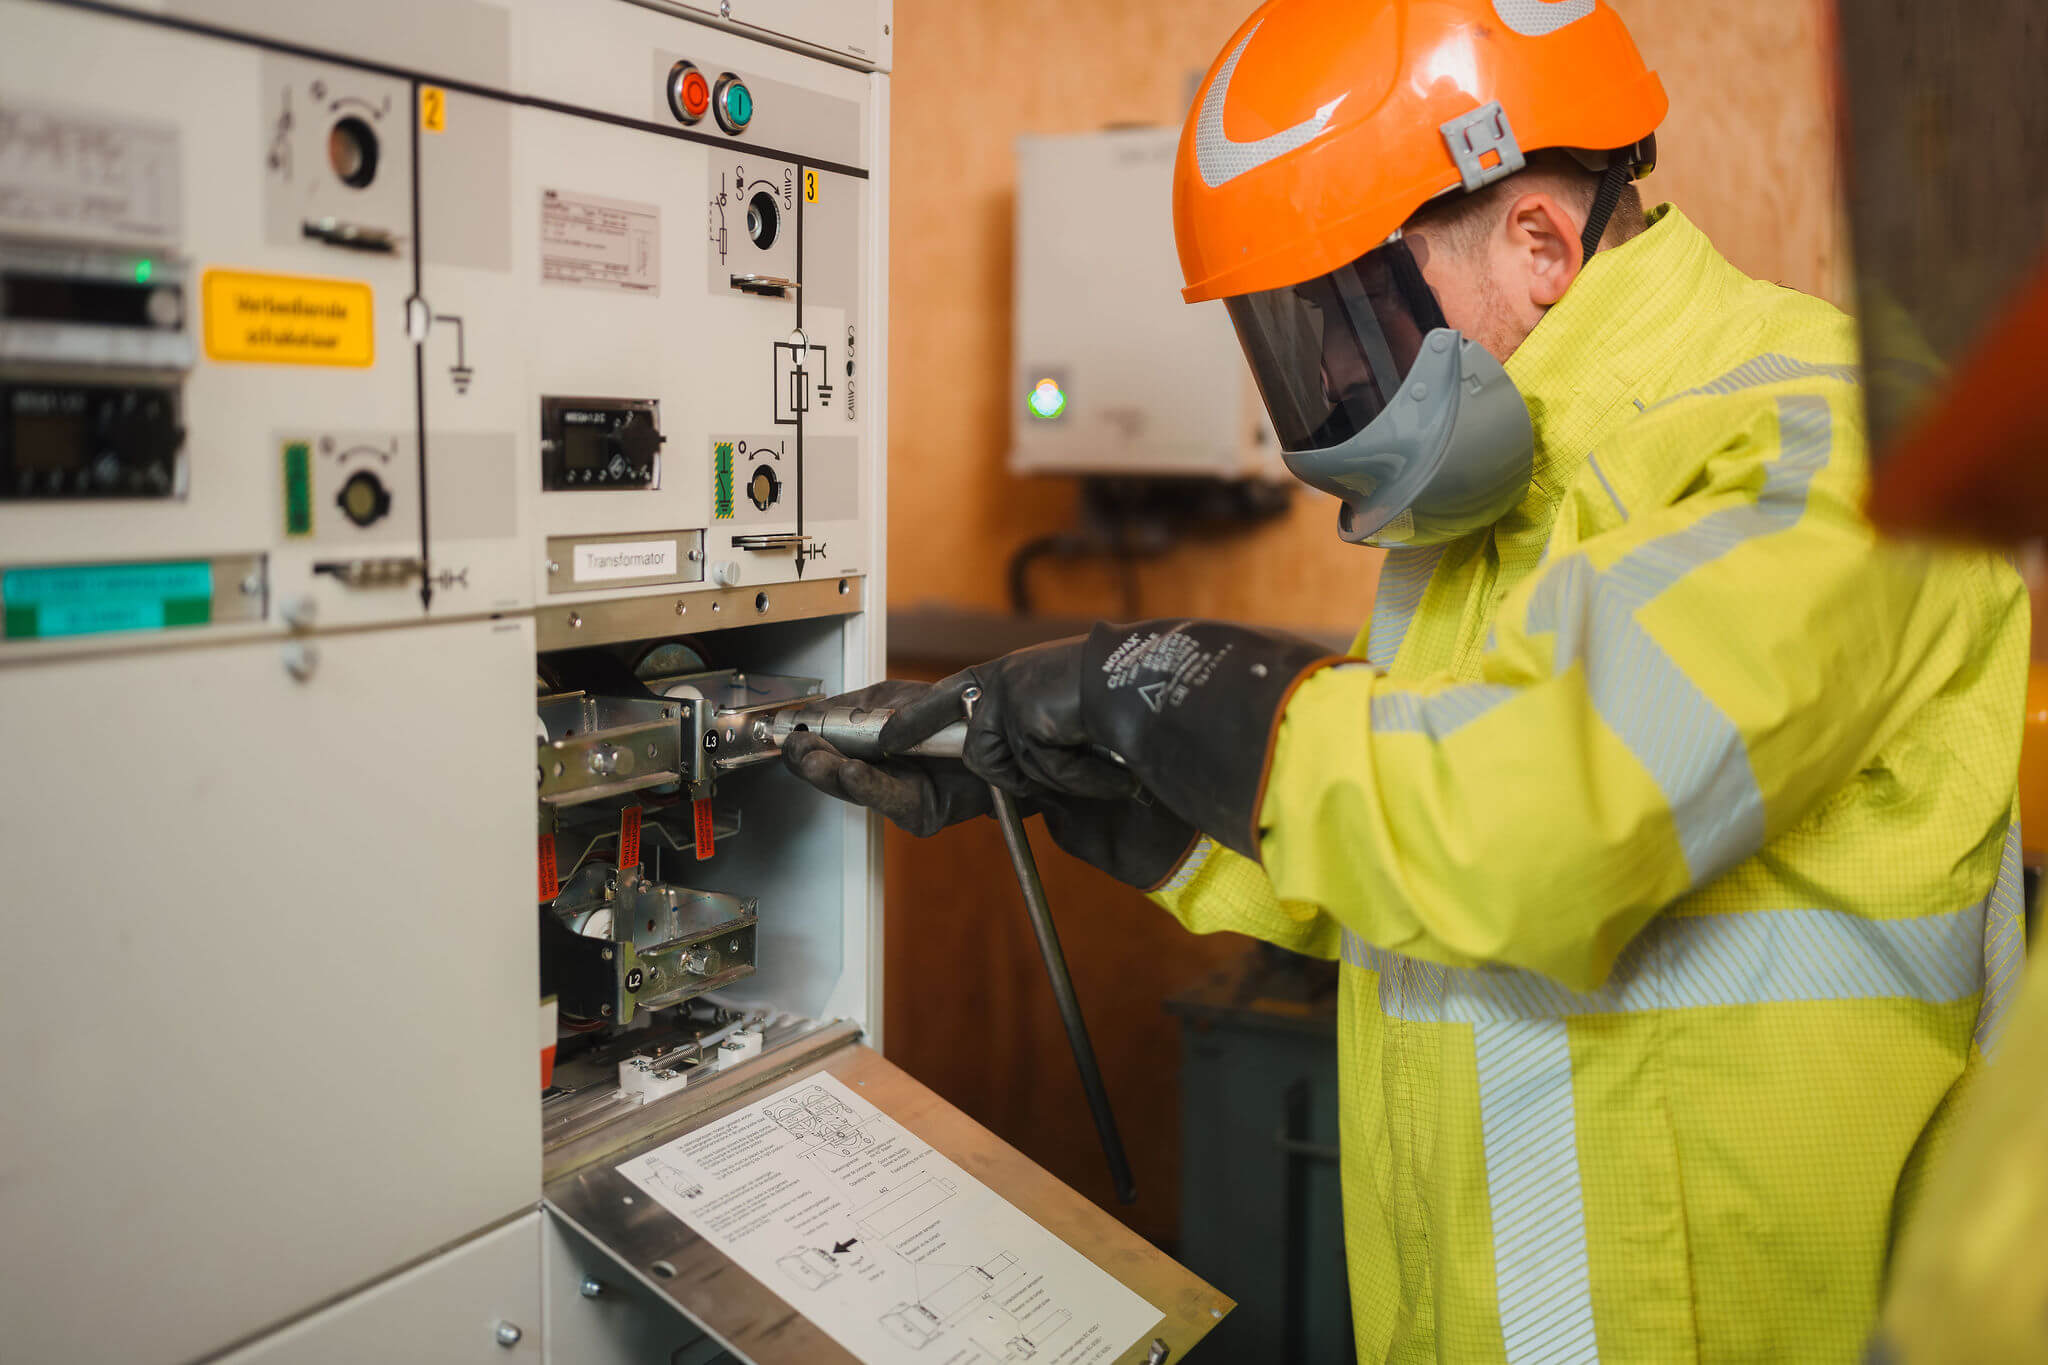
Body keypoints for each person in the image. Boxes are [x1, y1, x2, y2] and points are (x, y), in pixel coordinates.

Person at [786, 1, 2030, 1358]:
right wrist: (1140, 805)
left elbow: (1531, 826)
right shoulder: (1483, 522)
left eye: (1350, 314)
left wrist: (1172, 690)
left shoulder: (1834, 440)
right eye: (1291, 334)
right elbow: (1415, 858)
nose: (1323, 378)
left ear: (1543, 245)